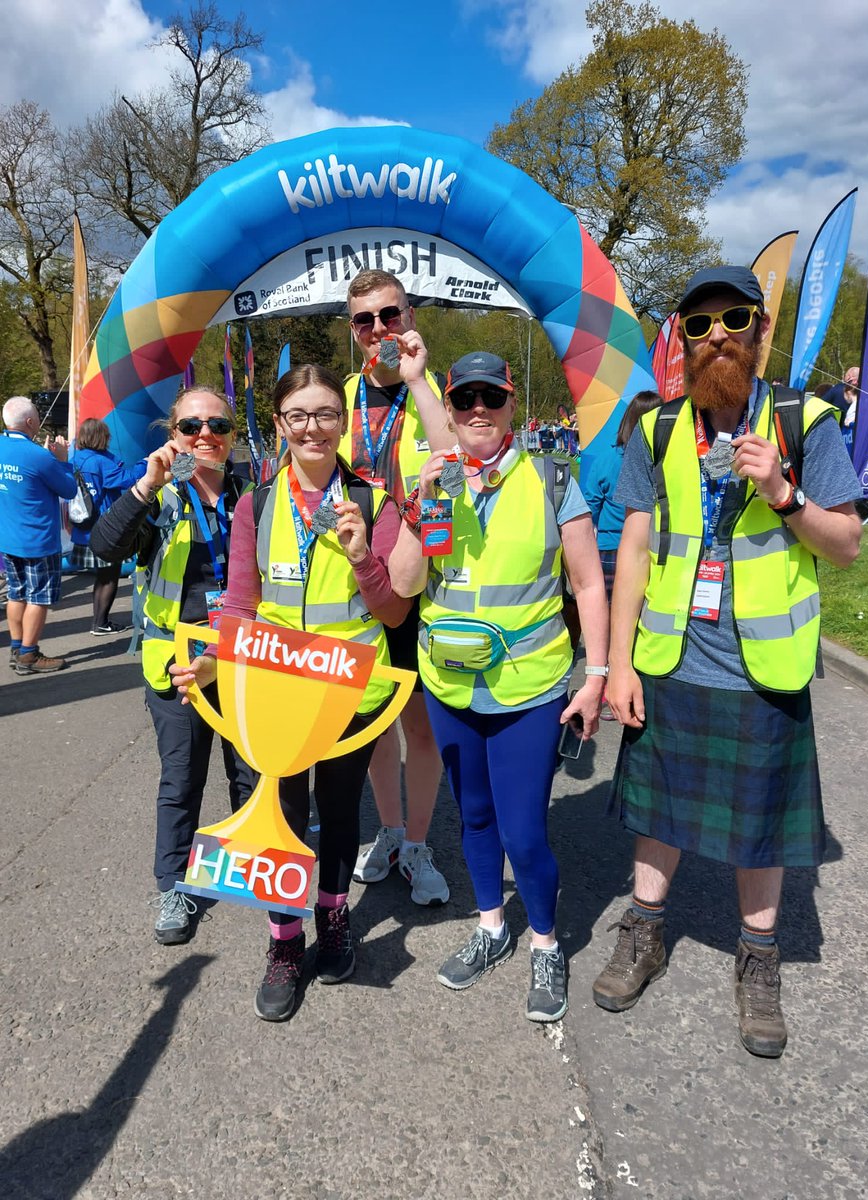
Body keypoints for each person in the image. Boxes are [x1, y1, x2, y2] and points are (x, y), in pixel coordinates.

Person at [594, 266, 862, 1057]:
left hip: (763, 668)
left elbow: (846, 545)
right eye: (700, 324)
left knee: (761, 826)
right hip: (672, 657)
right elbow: (635, 549)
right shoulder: (657, 429)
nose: (718, 336)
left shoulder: (805, 421)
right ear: (681, 340)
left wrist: (783, 491)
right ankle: (643, 932)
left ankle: (759, 960)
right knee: (657, 811)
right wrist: (617, 661)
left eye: (734, 319)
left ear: (760, 331)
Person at [172, 365, 411, 1022]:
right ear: (280, 425)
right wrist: (212, 664)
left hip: (347, 699)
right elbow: (242, 605)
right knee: (277, 819)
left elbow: (392, 615)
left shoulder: (375, 501)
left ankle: (333, 920)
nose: (313, 427)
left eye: (326, 413)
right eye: (299, 415)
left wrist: (364, 555)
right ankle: (284, 941)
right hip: (275, 695)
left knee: (337, 817)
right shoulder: (258, 504)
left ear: (343, 422)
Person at [389, 352, 609, 1022]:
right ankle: (492, 925)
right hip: (450, 684)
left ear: (512, 404)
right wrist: (421, 501)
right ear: (450, 411)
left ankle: (544, 942)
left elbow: (589, 582)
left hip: (528, 686)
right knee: (474, 818)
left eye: (491, 397)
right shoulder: (438, 481)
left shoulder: (549, 476)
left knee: (524, 831)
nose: (477, 410)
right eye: (464, 400)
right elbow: (402, 586)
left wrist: (595, 674)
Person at [91, 386, 255, 945]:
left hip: (240, 656)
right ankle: (174, 882)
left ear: (233, 435)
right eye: (191, 426)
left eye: (217, 425)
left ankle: (248, 862)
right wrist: (145, 484)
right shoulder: (158, 496)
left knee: (250, 769)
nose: (205, 434)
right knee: (182, 776)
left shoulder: (254, 495)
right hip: (178, 665)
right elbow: (104, 549)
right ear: (172, 435)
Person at [341, 268, 452, 907]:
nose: (381, 329)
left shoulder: (436, 391)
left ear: (409, 316)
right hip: (356, 581)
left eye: (391, 315)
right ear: (353, 330)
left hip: (420, 584)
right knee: (375, 723)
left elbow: (459, 468)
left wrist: (416, 382)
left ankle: (417, 842)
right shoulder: (341, 397)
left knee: (421, 727)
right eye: (366, 320)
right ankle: (386, 831)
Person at [0, 396, 77, 675]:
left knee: (16, 594)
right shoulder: (38, 455)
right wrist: (63, 460)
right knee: (38, 598)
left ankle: (17, 646)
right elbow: (69, 490)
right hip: (37, 541)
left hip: (8, 538)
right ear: (31, 422)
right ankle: (29, 654)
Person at [582, 391, 663, 603]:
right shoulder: (665, 462)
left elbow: (589, 508)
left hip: (610, 550)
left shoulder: (606, 460)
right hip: (653, 549)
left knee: (610, 616)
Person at [70, 417, 147, 634]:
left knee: (101, 577)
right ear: (100, 437)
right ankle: (101, 623)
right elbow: (128, 479)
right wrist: (146, 463)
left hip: (83, 529)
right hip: (104, 529)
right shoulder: (101, 462)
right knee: (110, 577)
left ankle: (99, 621)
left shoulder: (77, 458)